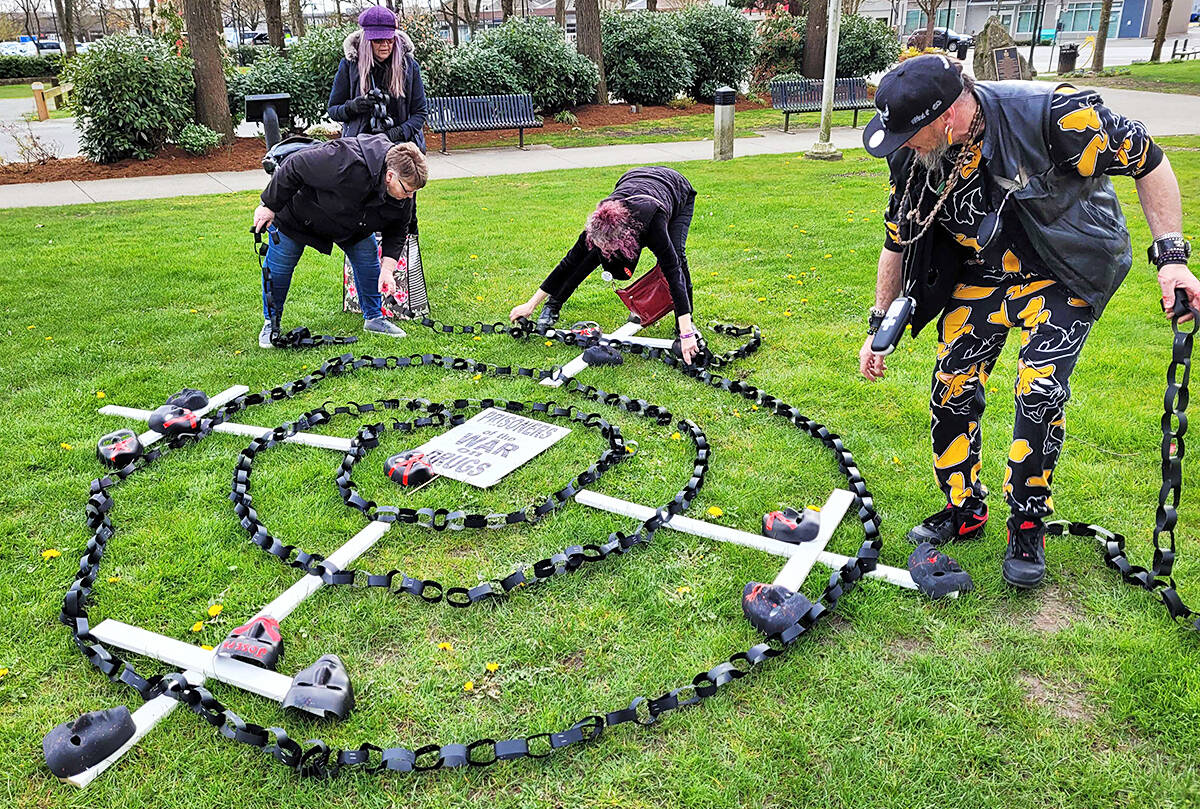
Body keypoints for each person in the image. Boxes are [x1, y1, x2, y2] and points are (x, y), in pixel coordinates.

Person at [858, 54, 1199, 589]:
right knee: (951, 384)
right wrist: (880, 321)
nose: (899, 144)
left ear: (946, 117)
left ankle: (1027, 520)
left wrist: (1172, 256)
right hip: (985, 274)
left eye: (907, 133)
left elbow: (1150, 161)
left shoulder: (1056, 118)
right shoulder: (916, 158)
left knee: (1038, 388)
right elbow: (896, 240)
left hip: (1063, 269)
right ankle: (963, 507)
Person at [509, 166, 702, 365]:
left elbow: (673, 270)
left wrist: (686, 333)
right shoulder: (597, 226)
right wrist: (530, 304)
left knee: (676, 256)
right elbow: (568, 263)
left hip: (676, 189)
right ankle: (553, 304)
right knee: (590, 255)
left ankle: (686, 326)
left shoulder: (653, 225)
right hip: (633, 179)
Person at [252, 135, 428, 347]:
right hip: (299, 213)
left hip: (353, 224)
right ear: (390, 176)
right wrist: (268, 205)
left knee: (368, 258)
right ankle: (271, 323)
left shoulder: (404, 190)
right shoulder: (344, 159)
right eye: (408, 190)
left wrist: (388, 270)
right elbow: (296, 165)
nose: (410, 197)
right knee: (280, 267)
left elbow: (398, 229)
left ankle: (374, 318)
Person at [328, 5, 427, 150]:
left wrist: (397, 133)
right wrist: (352, 107)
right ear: (367, 40)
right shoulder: (350, 66)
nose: (385, 45)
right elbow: (333, 110)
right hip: (358, 149)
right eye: (378, 40)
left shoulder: (409, 66)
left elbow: (420, 112)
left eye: (389, 40)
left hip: (401, 146)